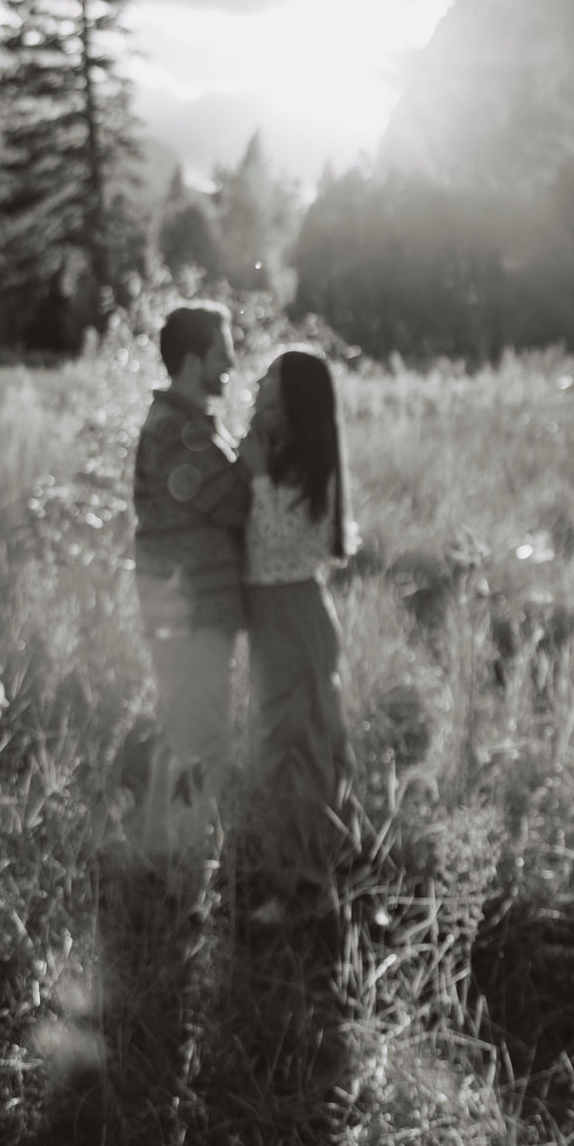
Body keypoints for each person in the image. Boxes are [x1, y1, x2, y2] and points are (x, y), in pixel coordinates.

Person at [239, 346, 356, 914]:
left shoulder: (312, 465)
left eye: (269, 382)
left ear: (293, 400)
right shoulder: (274, 453)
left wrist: (259, 480)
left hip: (294, 610)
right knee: (278, 743)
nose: (257, 388)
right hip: (271, 613)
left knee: (301, 746)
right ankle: (295, 876)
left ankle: (308, 884)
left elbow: (282, 544)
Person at [132, 302, 250, 856]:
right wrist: (267, 454)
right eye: (220, 351)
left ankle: (168, 864)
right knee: (199, 739)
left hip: (192, 610)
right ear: (191, 359)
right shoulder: (179, 432)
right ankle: (180, 872)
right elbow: (235, 500)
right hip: (190, 611)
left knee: (186, 732)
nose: (230, 360)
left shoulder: (192, 424)